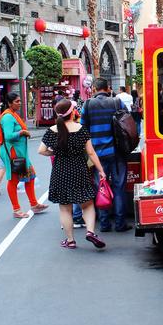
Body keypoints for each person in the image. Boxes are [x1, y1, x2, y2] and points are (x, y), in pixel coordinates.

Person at [38, 99, 106, 249]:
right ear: (73, 112)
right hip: (79, 169)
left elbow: (41, 150)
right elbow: (91, 152)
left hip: (60, 171)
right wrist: (101, 171)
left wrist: (54, 152)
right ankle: (90, 231)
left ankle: (70, 240)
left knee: (65, 208)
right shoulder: (80, 129)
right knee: (87, 204)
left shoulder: (52, 130)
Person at [80, 78, 130, 232]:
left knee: (101, 187)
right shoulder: (117, 102)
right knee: (119, 187)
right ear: (107, 88)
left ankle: (104, 223)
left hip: (96, 154)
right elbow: (127, 122)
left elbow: (82, 129)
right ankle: (120, 223)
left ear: (94, 88)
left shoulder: (88, 104)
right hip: (117, 153)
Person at [0, 92, 49, 218]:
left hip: (20, 153)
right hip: (13, 153)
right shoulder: (8, 117)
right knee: (13, 180)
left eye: (20, 100)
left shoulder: (13, 115)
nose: (19, 103)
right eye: (17, 101)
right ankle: (16, 209)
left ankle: (34, 204)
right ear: (9, 103)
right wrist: (22, 132)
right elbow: (9, 136)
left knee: (30, 176)